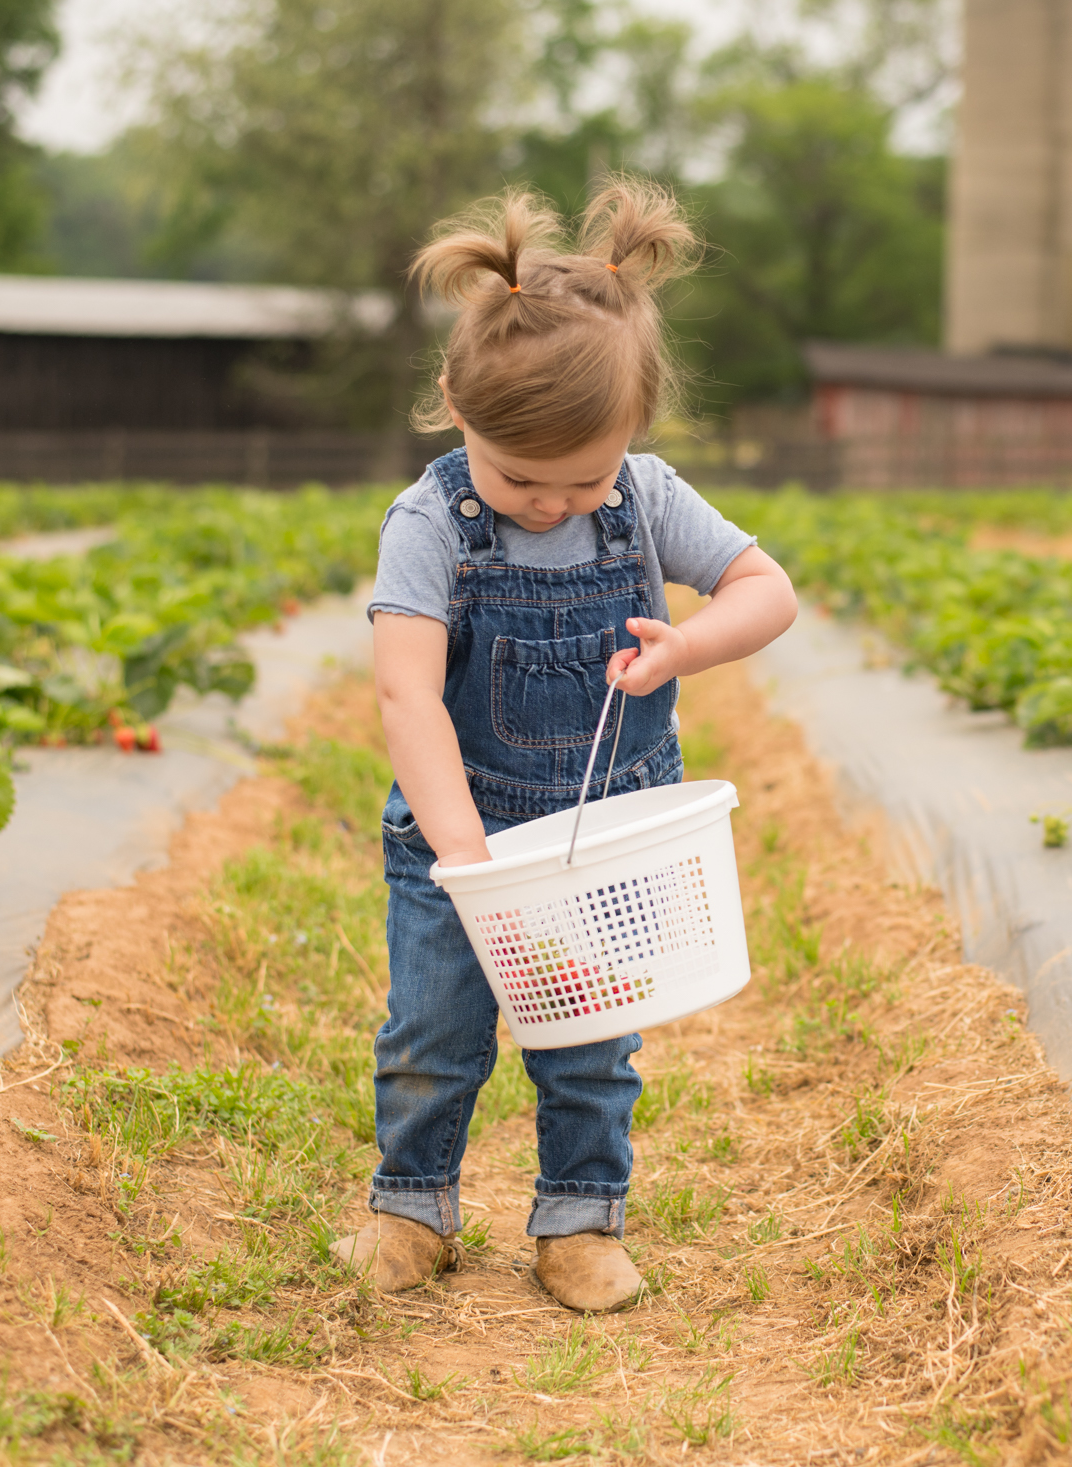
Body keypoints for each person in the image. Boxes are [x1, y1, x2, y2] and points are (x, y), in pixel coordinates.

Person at [335, 179, 798, 1313]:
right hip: (466, 836)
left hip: (604, 836)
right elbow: (408, 699)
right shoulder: (432, 522)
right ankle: (413, 1203)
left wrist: (684, 648)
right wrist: (464, 856)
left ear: (634, 433)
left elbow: (765, 590)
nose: (552, 504)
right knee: (433, 1032)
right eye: (520, 479)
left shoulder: (642, 501)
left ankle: (579, 1220)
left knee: (591, 1042)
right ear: (453, 404)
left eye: (582, 479)